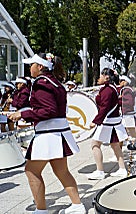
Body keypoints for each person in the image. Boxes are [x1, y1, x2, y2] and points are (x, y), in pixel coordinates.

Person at [8, 53, 86, 214]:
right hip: (57, 133)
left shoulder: (41, 83)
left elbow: (48, 110)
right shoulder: (55, 82)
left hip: (48, 134)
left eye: (32, 65)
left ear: (40, 67)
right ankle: (77, 206)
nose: (30, 68)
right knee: (62, 171)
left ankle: (41, 210)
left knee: (31, 170)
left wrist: (22, 114)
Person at [86, 68, 128, 180]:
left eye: (100, 76)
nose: (99, 78)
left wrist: (95, 122)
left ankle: (100, 171)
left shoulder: (107, 90)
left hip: (108, 121)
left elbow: (104, 108)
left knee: (95, 144)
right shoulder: (112, 88)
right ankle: (122, 169)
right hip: (113, 120)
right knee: (115, 145)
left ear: (106, 77)